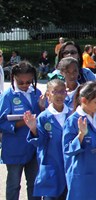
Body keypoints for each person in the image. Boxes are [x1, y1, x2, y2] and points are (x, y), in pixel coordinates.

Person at [62, 82, 96, 200]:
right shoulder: (72, 121)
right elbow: (67, 149)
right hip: (83, 174)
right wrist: (81, 135)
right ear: (84, 100)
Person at [0, 61, 46, 200]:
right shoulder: (8, 96)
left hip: (33, 147)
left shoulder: (37, 93)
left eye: (28, 82)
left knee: (34, 183)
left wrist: (42, 108)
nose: (25, 85)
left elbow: (43, 119)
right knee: (14, 184)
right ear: (13, 78)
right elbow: (1, 122)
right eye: (21, 82)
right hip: (15, 148)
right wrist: (22, 123)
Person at [25, 78, 70, 200]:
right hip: (52, 165)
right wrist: (34, 129)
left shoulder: (72, 115)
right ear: (48, 95)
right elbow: (40, 143)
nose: (59, 95)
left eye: (62, 91)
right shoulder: (44, 117)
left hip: (69, 165)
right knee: (52, 195)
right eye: (55, 92)